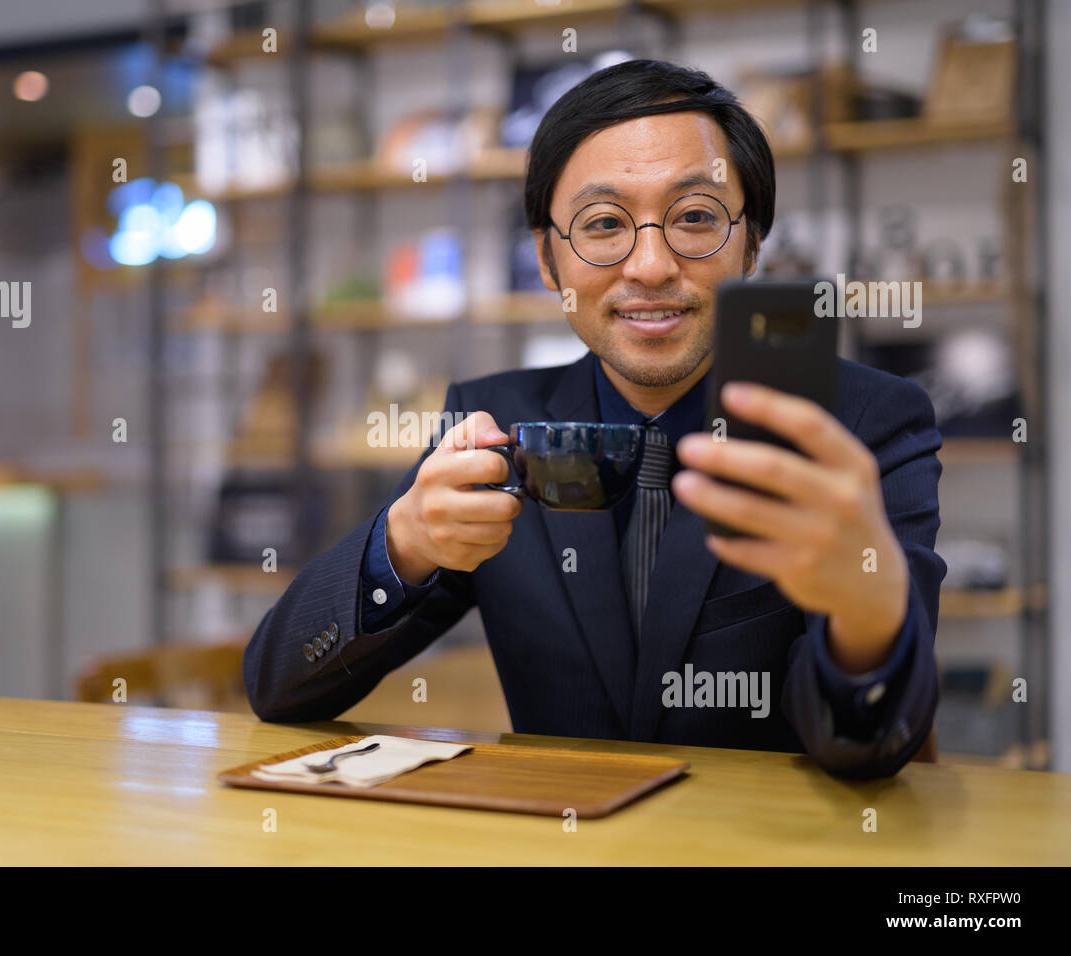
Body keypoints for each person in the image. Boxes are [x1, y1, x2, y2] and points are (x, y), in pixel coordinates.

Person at [243, 59, 945, 779]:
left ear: (753, 244)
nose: (649, 265)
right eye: (604, 224)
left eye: (695, 218)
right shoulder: (498, 424)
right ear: (548, 260)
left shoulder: (863, 426)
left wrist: (867, 608)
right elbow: (279, 689)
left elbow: (873, 748)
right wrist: (403, 545)